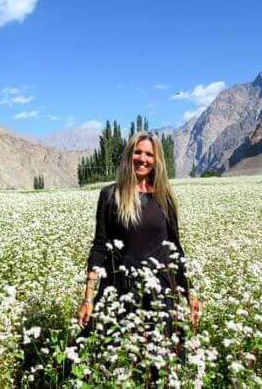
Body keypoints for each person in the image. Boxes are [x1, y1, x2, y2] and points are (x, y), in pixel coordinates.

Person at [77, 130, 201, 374]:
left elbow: (175, 248)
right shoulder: (110, 195)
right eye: (138, 152)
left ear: (156, 161)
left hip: (161, 294)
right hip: (121, 292)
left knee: (161, 367)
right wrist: (88, 298)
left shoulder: (164, 198)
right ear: (128, 155)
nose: (142, 159)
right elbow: (99, 247)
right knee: (114, 366)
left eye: (149, 154)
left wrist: (190, 294)